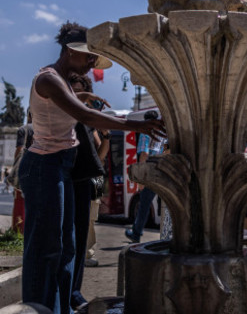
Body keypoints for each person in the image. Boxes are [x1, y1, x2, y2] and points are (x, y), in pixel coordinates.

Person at [18, 21, 164, 314]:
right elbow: (85, 116)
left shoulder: (62, 80)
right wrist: (137, 125)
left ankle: (60, 307)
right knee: (46, 248)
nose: (92, 63)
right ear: (71, 51)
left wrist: (84, 96)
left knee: (68, 245)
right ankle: (38, 308)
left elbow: (72, 104)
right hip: (44, 166)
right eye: (89, 57)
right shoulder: (49, 79)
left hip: (62, 166)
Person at [68, 73, 110, 311]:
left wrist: (105, 134)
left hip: (87, 180)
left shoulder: (88, 121)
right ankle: (66, 291)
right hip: (66, 179)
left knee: (84, 231)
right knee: (67, 238)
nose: (77, 97)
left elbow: (99, 156)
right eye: (73, 91)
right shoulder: (63, 113)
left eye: (81, 92)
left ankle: (75, 290)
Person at [125, 110, 166, 244]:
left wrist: (141, 178)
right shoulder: (162, 134)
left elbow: (144, 154)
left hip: (149, 173)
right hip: (160, 170)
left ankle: (136, 233)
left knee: (144, 204)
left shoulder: (146, 132)